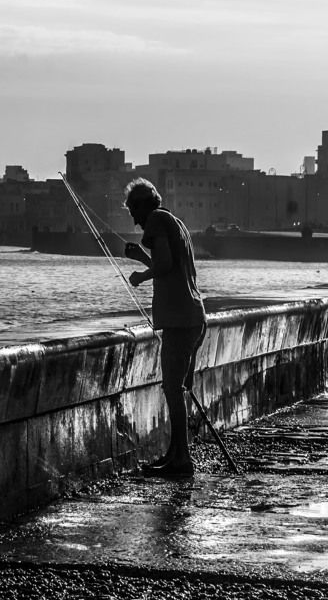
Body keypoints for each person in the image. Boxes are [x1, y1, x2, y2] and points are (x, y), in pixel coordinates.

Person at [122, 178, 207, 477]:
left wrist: (140, 276)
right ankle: (175, 454)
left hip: (181, 319)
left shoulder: (157, 220)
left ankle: (182, 459)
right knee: (175, 387)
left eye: (133, 210)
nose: (134, 219)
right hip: (192, 316)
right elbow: (166, 264)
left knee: (172, 388)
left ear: (143, 205)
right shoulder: (175, 222)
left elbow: (165, 266)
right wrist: (143, 258)